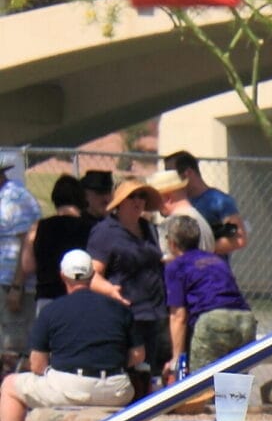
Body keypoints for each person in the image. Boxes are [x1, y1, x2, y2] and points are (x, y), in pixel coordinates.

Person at [0, 251, 140, 421]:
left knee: (10, 385)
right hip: (115, 390)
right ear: (92, 274)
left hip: (68, 387)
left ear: (62, 275)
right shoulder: (119, 309)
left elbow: (37, 365)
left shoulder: (51, 311)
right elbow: (138, 355)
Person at [87, 178, 169, 386]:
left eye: (142, 196)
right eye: (132, 196)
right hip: (124, 314)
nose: (138, 201)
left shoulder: (148, 228)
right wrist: (110, 290)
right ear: (120, 202)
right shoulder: (105, 232)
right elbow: (91, 275)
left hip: (153, 313)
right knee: (125, 373)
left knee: (149, 373)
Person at [161, 216, 255, 366]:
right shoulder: (217, 260)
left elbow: (178, 316)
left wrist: (176, 360)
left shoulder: (176, 266)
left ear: (172, 243)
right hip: (245, 319)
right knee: (235, 385)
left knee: (205, 383)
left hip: (213, 321)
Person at [23, 175, 90, 309]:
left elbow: (27, 266)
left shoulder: (39, 227)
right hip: (80, 297)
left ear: (55, 198)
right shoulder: (90, 228)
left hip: (47, 296)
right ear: (81, 199)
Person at [0, 152, 39, 371]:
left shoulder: (16, 200)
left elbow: (28, 242)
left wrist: (17, 286)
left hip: (11, 286)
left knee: (13, 351)